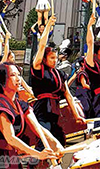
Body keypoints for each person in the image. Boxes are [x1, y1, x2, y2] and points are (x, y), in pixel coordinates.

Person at [0, 63, 63, 168]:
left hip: (13, 157)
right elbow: (10, 138)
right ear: (1, 81)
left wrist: (56, 144)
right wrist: (37, 154)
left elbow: (38, 128)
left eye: (19, 75)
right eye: (13, 75)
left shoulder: (21, 105)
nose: (18, 79)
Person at [31, 14, 84, 147]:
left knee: (60, 142)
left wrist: (76, 115)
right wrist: (48, 26)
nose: (54, 60)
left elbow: (68, 95)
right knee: (44, 142)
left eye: (56, 58)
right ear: (44, 59)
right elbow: (41, 46)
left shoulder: (60, 74)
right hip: (42, 109)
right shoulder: (39, 69)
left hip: (55, 111)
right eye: (51, 58)